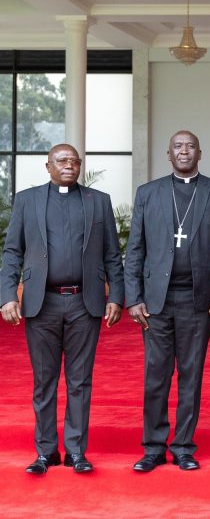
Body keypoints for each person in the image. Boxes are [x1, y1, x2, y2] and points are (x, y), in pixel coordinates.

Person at [0, 144, 124, 474]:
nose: (68, 166)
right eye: (61, 161)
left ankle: (76, 452)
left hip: (86, 302)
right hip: (43, 303)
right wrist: (8, 295)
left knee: (80, 381)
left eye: (74, 161)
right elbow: (12, 251)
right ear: (48, 166)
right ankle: (45, 452)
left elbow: (113, 254)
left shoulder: (98, 201)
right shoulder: (28, 201)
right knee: (45, 381)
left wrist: (116, 297)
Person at [124, 130, 210, 472]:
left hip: (198, 300)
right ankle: (153, 447)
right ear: (168, 154)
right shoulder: (149, 193)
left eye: (190, 146)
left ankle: (184, 446)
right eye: (178, 146)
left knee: (191, 375)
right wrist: (134, 298)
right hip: (156, 301)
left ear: (200, 153)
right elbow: (135, 250)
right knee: (156, 375)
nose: (184, 151)